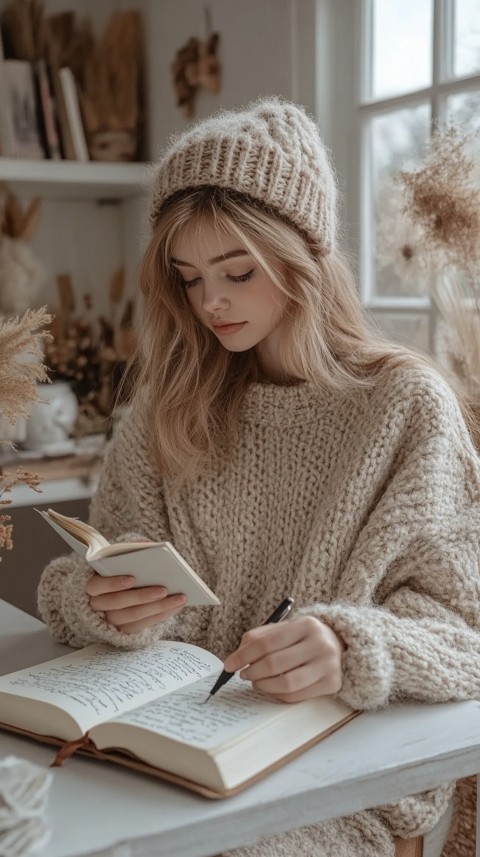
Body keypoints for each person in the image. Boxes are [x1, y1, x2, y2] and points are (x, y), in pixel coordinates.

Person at [38, 98, 480, 857]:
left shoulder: (405, 406)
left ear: (303, 257)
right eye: (188, 277)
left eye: (237, 271)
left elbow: (463, 637)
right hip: (161, 753)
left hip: (335, 773)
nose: (210, 301)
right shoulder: (166, 409)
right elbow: (104, 569)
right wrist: (97, 598)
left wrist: (347, 644)